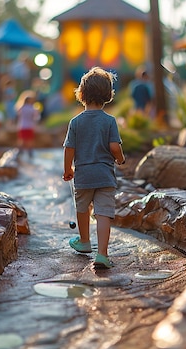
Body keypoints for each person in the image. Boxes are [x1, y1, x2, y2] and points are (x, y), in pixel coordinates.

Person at [62, 66, 126, 269]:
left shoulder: (75, 122)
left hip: (84, 175)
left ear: (81, 94)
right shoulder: (109, 121)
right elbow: (114, 147)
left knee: (82, 208)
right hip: (105, 175)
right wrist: (120, 159)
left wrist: (67, 169)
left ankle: (84, 242)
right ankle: (102, 254)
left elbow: (69, 149)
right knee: (103, 213)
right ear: (108, 95)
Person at [15, 91, 40, 158]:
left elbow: (17, 113)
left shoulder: (21, 108)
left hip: (22, 126)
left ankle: (19, 152)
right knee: (30, 141)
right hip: (30, 126)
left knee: (22, 140)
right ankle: (30, 153)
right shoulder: (32, 108)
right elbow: (36, 117)